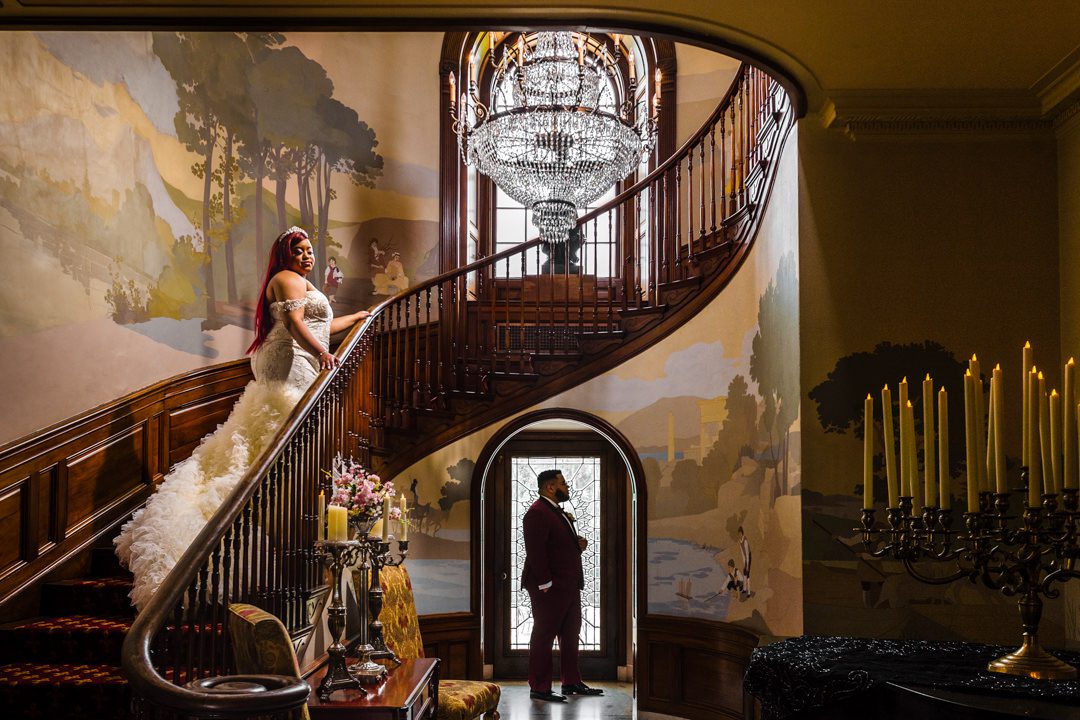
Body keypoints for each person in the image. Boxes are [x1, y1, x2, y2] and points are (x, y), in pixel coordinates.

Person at [114, 227, 370, 611]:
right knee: (276, 434)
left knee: (277, 436)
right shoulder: (285, 280)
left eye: (310, 250)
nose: (306, 256)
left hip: (299, 359)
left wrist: (356, 318)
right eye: (298, 251)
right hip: (289, 363)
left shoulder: (301, 282)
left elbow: (318, 324)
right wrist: (323, 354)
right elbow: (298, 325)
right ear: (284, 255)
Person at [521, 469, 603, 702]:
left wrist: (576, 544)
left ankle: (571, 682)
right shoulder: (537, 513)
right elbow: (535, 551)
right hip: (550, 586)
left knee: (570, 633)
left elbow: (555, 546)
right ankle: (539, 686)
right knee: (544, 635)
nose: (567, 488)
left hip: (568, 584)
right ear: (550, 487)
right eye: (564, 484)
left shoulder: (555, 512)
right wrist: (545, 583)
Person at [738, 526, 752, 597]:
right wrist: (744, 564)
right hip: (745, 557)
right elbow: (742, 554)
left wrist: (747, 566)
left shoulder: (745, 540)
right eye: (738, 534)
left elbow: (746, 554)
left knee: (747, 573)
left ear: (742, 533)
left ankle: (749, 592)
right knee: (744, 573)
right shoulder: (739, 541)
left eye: (740, 533)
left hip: (748, 556)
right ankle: (744, 589)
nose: (739, 535)